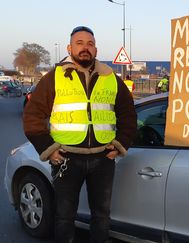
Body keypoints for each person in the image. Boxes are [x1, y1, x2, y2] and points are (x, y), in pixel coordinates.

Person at [23, 26, 137, 243]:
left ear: (95, 49)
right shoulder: (54, 77)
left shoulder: (111, 78)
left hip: (103, 159)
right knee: (64, 217)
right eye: (80, 43)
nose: (85, 48)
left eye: (90, 44)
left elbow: (129, 114)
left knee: (101, 216)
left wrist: (121, 143)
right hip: (66, 159)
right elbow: (32, 117)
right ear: (69, 47)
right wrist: (49, 149)